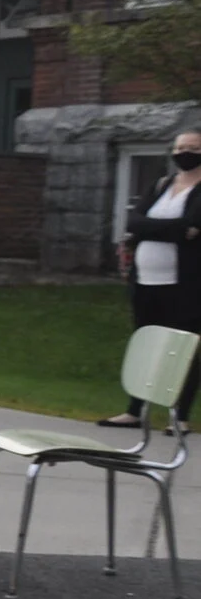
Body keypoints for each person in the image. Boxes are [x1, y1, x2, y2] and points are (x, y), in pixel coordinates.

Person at [105, 126, 201, 427]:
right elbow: (134, 220)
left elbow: (194, 226)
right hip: (145, 282)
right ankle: (135, 411)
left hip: (184, 285)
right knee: (145, 346)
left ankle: (180, 416)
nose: (184, 153)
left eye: (193, 148)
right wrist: (176, 230)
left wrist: (152, 227)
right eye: (180, 147)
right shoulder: (161, 184)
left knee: (182, 349)